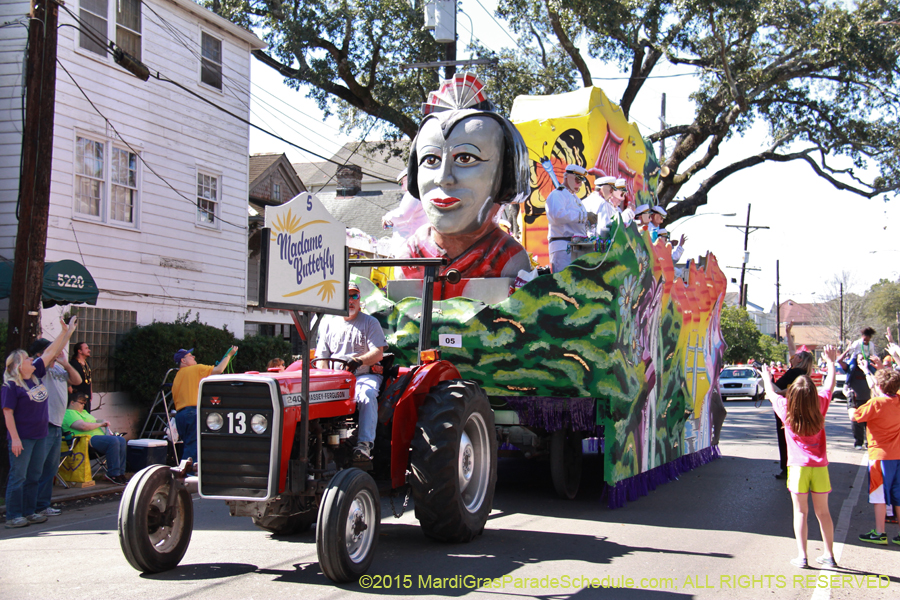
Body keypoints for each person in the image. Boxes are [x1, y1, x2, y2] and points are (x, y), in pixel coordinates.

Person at [398, 80, 532, 280]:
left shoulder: (508, 260)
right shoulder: (411, 257)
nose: (443, 178)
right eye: (431, 160)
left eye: (465, 158)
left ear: (504, 172)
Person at [761, 345, 839, 569]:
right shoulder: (820, 405)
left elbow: (771, 393)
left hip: (797, 468)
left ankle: (802, 556)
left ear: (792, 394)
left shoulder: (786, 409)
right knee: (823, 513)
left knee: (800, 512)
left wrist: (767, 376)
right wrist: (831, 363)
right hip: (820, 467)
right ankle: (829, 555)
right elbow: (829, 386)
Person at [3, 317, 78, 528]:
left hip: (40, 435)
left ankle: (30, 512)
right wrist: (15, 439)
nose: (31, 361)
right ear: (18, 366)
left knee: (34, 475)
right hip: (23, 438)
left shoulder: (35, 375)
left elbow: (50, 352)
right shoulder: (11, 386)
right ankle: (13, 516)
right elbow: (8, 413)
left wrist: (65, 333)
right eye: (27, 359)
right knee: (19, 476)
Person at [315, 283, 386, 461]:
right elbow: (322, 358)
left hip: (362, 375)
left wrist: (359, 361)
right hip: (336, 378)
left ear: (360, 299)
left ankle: (364, 445)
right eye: (347, 296)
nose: (351, 300)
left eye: (355, 296)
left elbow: (378, 352)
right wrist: (325, 380)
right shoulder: (328, 324)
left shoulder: (370, 322)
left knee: (367, 394)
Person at [28, 338, 82, 517]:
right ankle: (30, 506)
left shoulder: (59, 368)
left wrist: (66, 364)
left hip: (57, 423)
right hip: (45, 422)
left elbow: (77, 380)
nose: (57, 352)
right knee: (38, 467)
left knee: (51, 468)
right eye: (53, 350)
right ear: (40, 353)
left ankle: (43, 505)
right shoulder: (38, 368)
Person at [852, 368, 900, 545]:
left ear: (879, 385)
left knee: (879, 494)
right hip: (898, 454)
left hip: (880, 456)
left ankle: (880, 532)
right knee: (898, 494)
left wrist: (850, 402)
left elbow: (855, 416)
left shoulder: (875, 403)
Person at [172, 345, 238, 463]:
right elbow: (219, 370)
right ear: (183, 360)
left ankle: (184, 470)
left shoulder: (177, 376)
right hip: (192, 413)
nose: (193, 357)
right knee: (193, 449)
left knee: (188, 446)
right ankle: (189, 473)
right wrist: (229, 355)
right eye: (190, 356)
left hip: (180, 416)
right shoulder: (196, 369)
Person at [770, 321, 817, 479]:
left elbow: (783, 390)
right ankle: (793, 467)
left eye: (796, 355)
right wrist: (788, 333)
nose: (793, 355)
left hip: (787, 409)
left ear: (800, 360)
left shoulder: (795, 372)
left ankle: (787, 468)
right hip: (795, 408)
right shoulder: (800, 371)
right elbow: (791, 349)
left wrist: (769, 383)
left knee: (785, 439)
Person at [62, 393, 128, 484]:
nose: (83, 405)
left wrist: (103, 421)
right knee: (113, 441)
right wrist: (100, 424)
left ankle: (121, 473)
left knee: (121, 440)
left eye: (84, 403)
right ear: (72, 402)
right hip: (85, 442)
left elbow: (94, 421)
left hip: (96, 439)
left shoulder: (84, 413)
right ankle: (113, 474)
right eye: (81, 403)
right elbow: (82, 426)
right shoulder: (69, 413)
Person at [546, 164, 591, 273]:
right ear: (567, 177)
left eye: (581, 181)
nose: (579, 184)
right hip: (563, 247)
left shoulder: (575, 198)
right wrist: (584, 216)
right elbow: (558, 215)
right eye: (577, 180)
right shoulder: (557, 194)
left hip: (575, 246)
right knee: (565, 280)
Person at [840, 327, 877, 449]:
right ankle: (858, 442)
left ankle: (868, 441)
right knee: (856, 421)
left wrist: (872, 363)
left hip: (867, 395)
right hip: (856, 396)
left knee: (869, 421)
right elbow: (848, 353)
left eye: (867, 339)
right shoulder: (857, 344)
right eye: (864, 338)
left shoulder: (870, 345)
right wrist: (848, 350)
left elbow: (872, 354)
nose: (865, 340)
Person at [382, 168, 428, 256]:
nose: (402, 187)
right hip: (417, 245)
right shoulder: (423, 194)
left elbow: (403, 215)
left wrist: (387, 217)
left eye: (401, 183)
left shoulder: (413, 194)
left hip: (408, 246)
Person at [68, 341, 92, 412]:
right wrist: (71, 392)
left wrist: (90, 392)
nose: (89, 350)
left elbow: (89, 378)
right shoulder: (73, 363)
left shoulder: (87, 364)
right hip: (77, 398)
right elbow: (67, 378)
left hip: (86, 396)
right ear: (80, 351)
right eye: (86, 348)